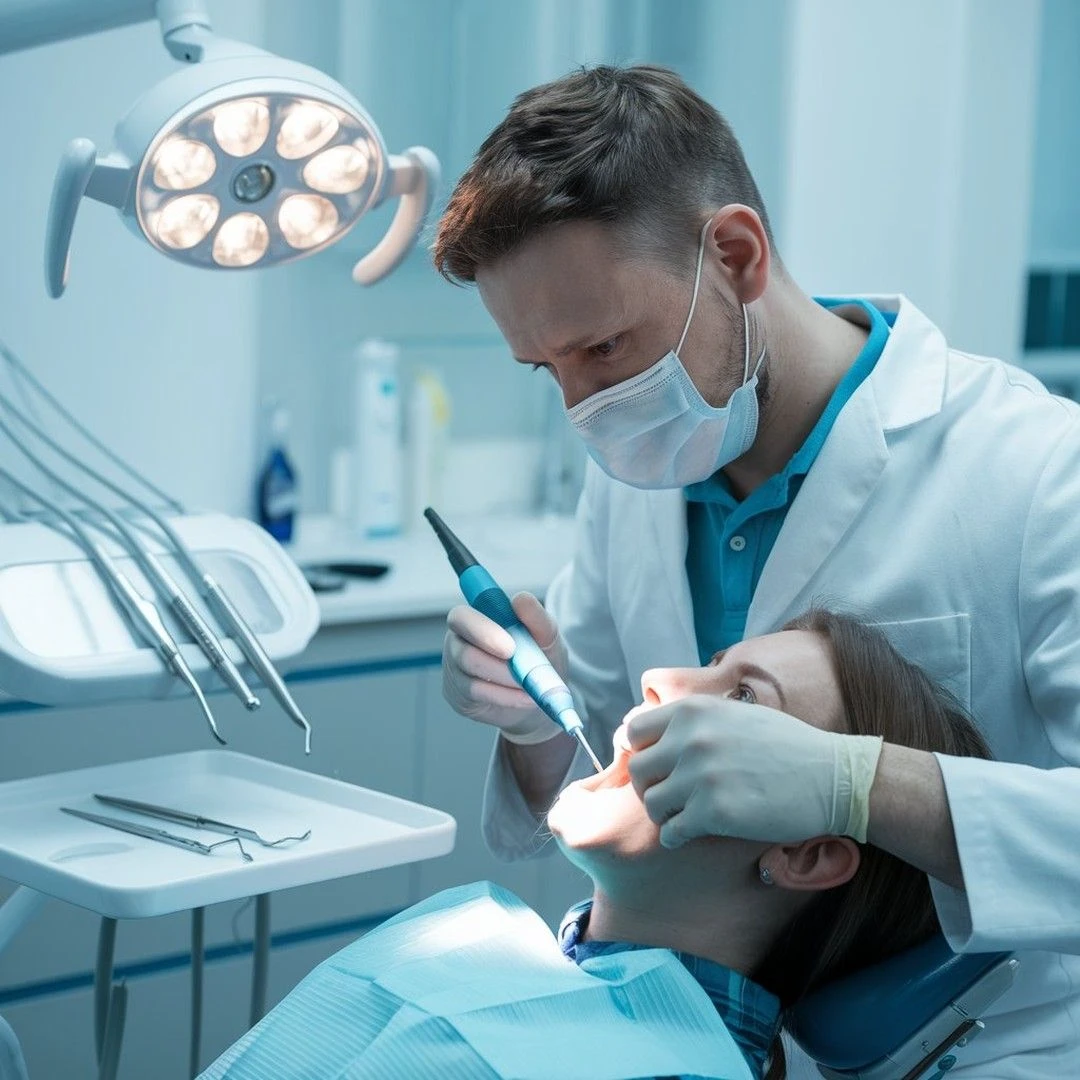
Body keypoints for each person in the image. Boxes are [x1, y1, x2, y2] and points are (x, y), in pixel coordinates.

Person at [433, 64, 1080, 1076]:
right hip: (710, 1032)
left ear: (733, 254)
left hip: (1006, 1043)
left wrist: (853, 784)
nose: (584, 409)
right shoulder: (641, 465)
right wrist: (527, 724)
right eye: (546, 368)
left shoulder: (1039, 471)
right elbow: (601, 725)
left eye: (605, 346)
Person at [200, 613, 991, 1080]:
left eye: (744, 698)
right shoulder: (469, 932)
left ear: (807, 854)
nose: (656, 678)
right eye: (714, 667)